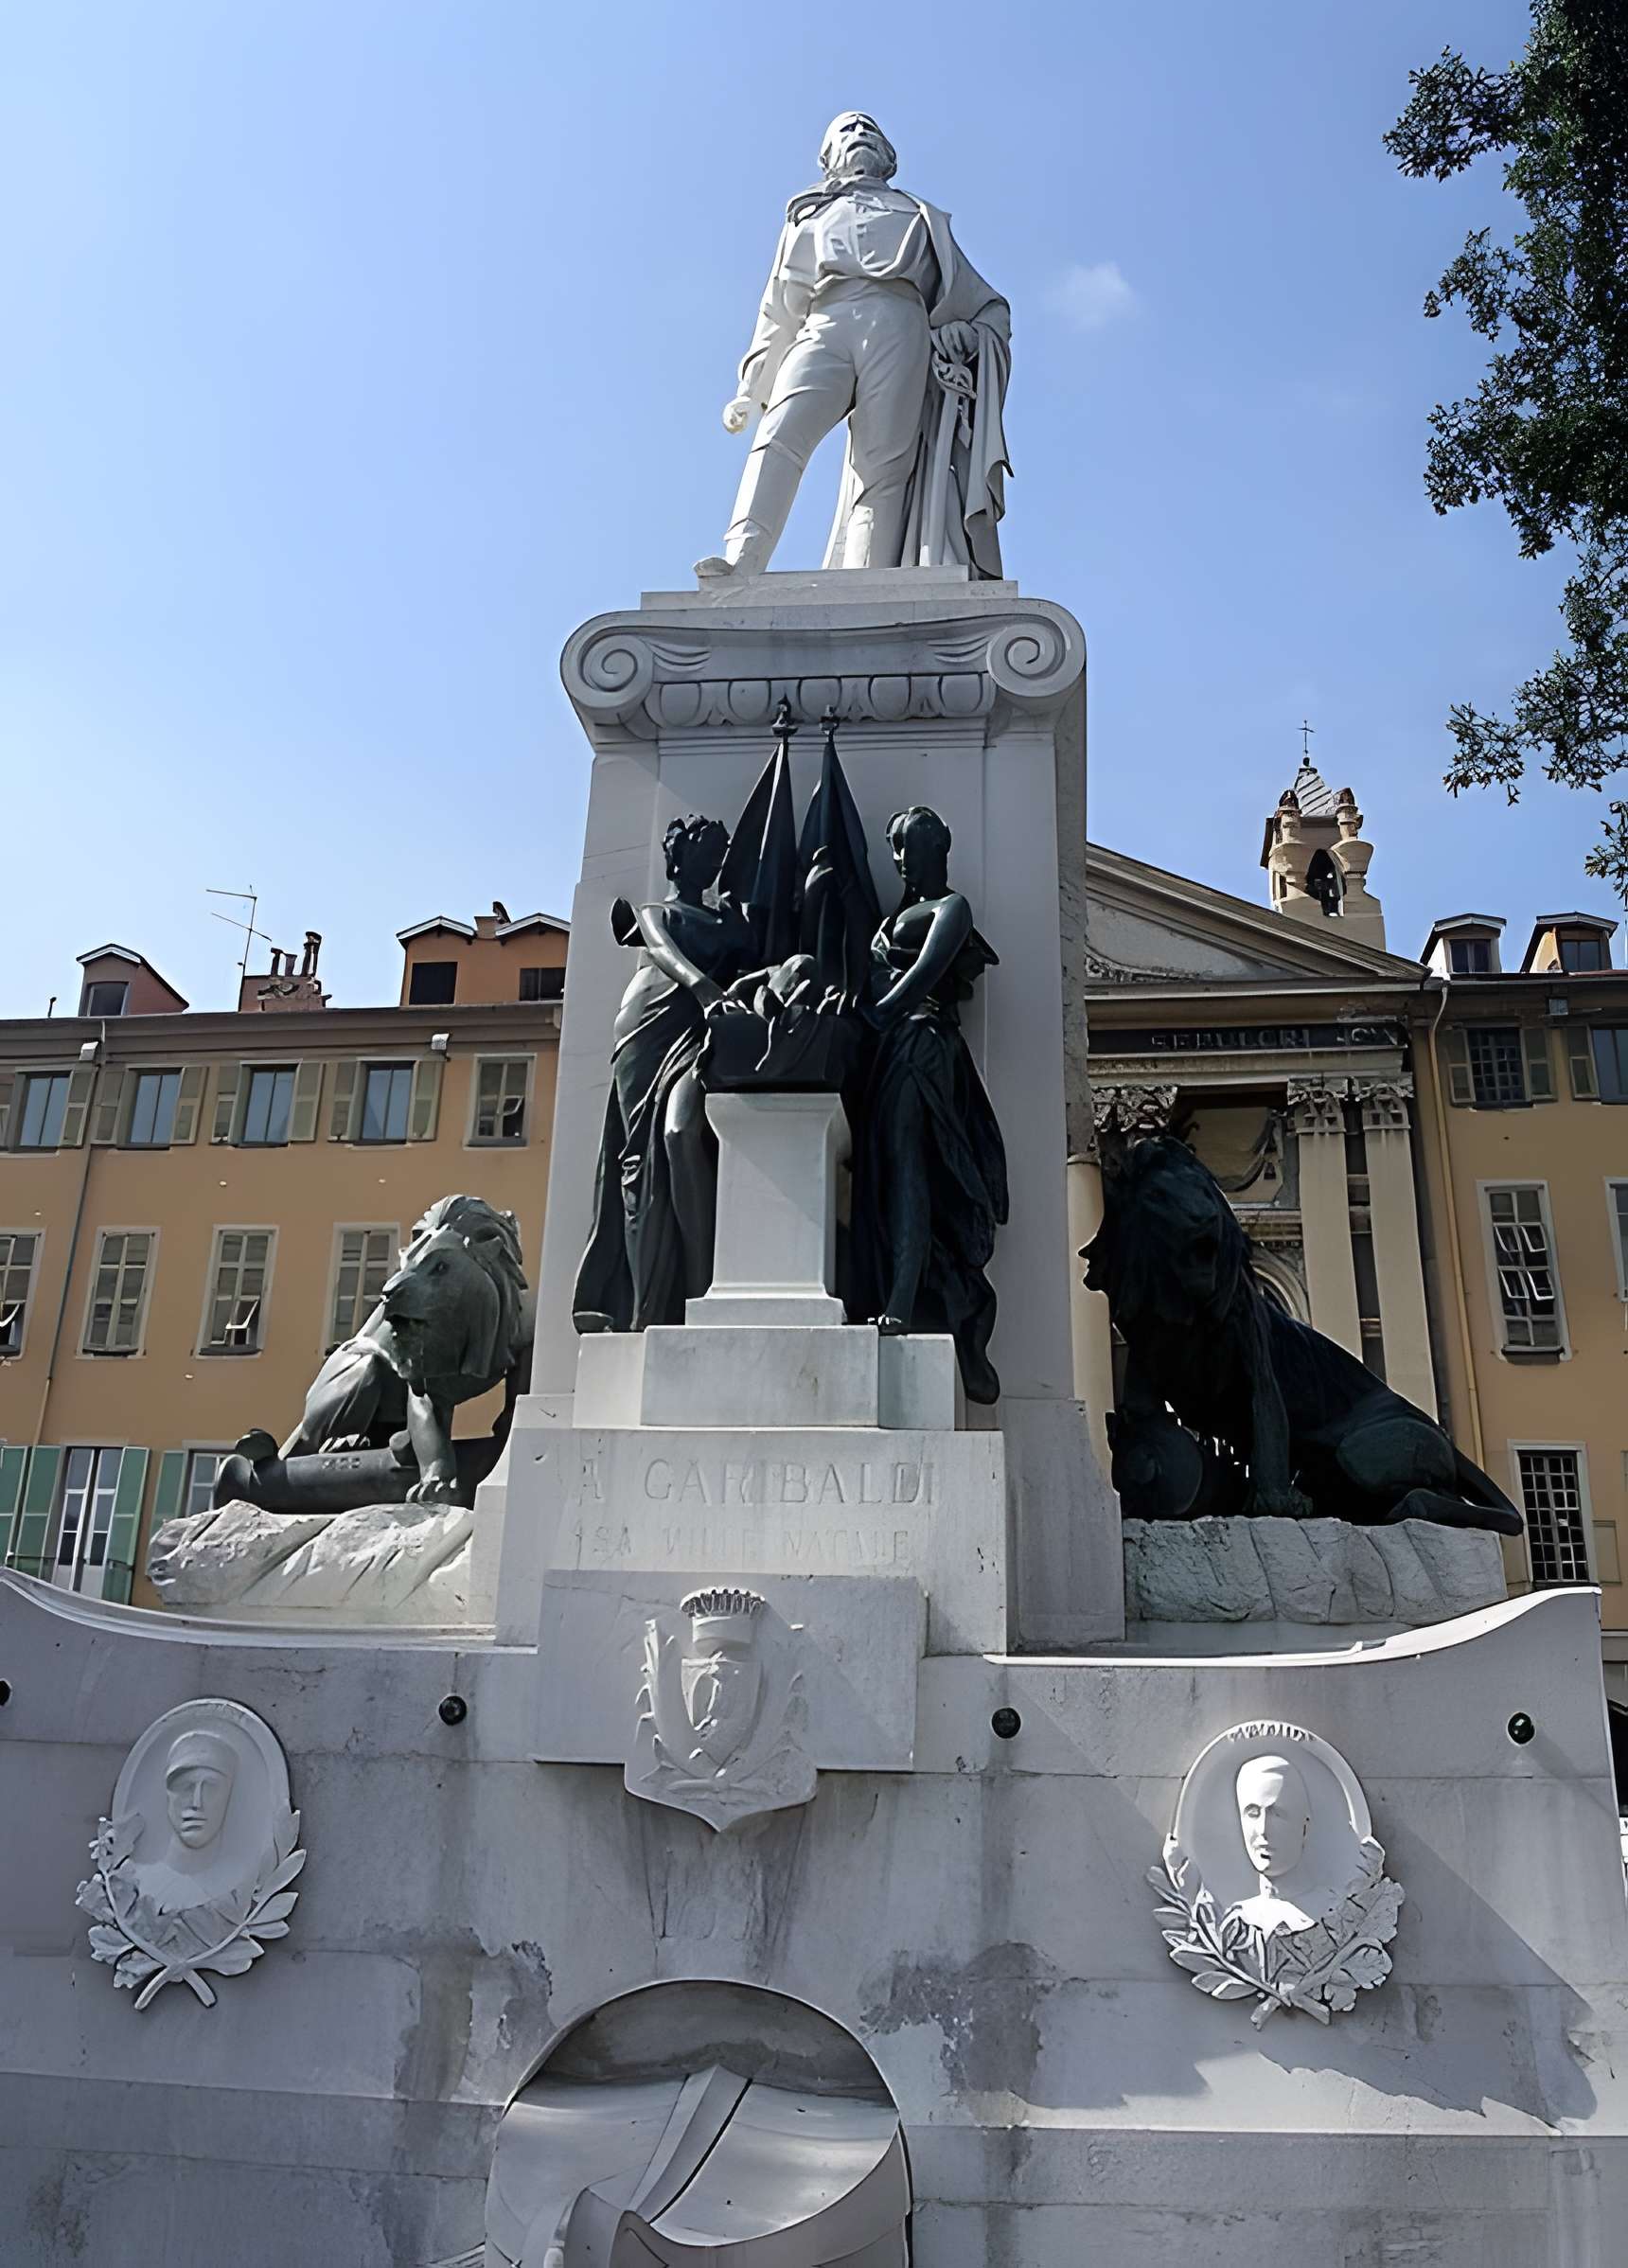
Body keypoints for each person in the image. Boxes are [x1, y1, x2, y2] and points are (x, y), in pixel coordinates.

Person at [696, 112, 1011, 581]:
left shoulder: (923, 218)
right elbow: (779, 309)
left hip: (901, 322)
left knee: (883, 467)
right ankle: (742, 559)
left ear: (889, 155)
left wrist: (964, 334)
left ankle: (868, 578)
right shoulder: (808, 218)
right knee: (779, 435)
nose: (860, 134)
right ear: (828, 159)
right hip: (825, 320)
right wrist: (751, 386)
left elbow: (988, 307)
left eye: (870, 129)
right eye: (847, 130)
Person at [574, 817, 756, 1332]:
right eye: (705, 849)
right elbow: (663, 952)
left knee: (678, 1134)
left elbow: (753, 963)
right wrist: (704, 989)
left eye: (720, 852)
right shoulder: (655, 913)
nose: (715, 859)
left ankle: (700, 1288)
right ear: (677, 858)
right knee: (638, 1164)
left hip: (701, 1036)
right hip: (647, 1029)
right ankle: (644, 1308)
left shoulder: (729, 923)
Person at [850, 806, 1008, 1401]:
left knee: (910, 1162)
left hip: (924, 1043)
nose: (899, 861)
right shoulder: (894, 915)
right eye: (894, 850)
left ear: (938, 849)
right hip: (889, 1052)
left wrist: (881, 1011)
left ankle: (902, 1299)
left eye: (908, 849)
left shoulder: (951, 908)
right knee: (887, 1172)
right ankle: (904, 1286)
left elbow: (925, 972)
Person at [1230, 1754, 1318, 1936]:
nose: (1262, 1830)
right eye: (1252, 1814)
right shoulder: (1237, 1917)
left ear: (1304, 1827)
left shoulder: (1333, 1910)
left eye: (1276, 1815)